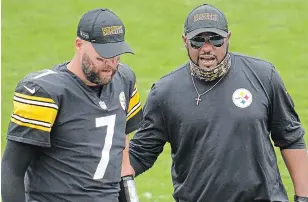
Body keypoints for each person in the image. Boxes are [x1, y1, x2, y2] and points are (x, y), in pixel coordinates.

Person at [127, 4, 308, 202]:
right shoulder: (164, 92)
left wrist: (303, 197)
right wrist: (101, 179)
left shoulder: (264, 76)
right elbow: (141, 152)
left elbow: (290, 138)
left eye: (215, 40)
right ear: (185, 41)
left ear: (228, 38)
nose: (207, 48)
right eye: (198, 41)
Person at [1, 8, 142, 202]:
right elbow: (12, 170)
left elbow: (121, 136)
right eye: (101, 58)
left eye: (116, 57)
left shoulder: (124, 79)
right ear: (79, 44)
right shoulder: (45, 92)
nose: (110, 66)